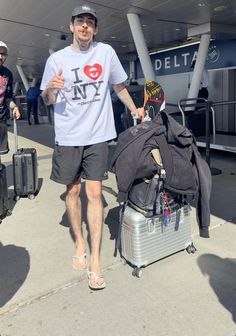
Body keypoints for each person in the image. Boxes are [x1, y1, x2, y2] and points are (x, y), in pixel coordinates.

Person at [41, 4, 142, 290]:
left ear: (95, 29)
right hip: (69, 136)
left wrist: (135, 109)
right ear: (71, 27)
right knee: (72, 192)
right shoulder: (57, 59)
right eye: (79, 21)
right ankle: (78, 240)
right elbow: (47, 100)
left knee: (94, 193)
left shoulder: (106, 53)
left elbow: (119, 87)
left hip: (98, 135)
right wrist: (51, 89)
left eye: (89, 22)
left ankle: (95, 260)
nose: (84, 26)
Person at [0, 41, 20, 155]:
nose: (0, 56)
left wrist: (14, 107)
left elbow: (8, 97)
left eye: (3, 54)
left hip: (1, 118)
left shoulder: (7, 74)